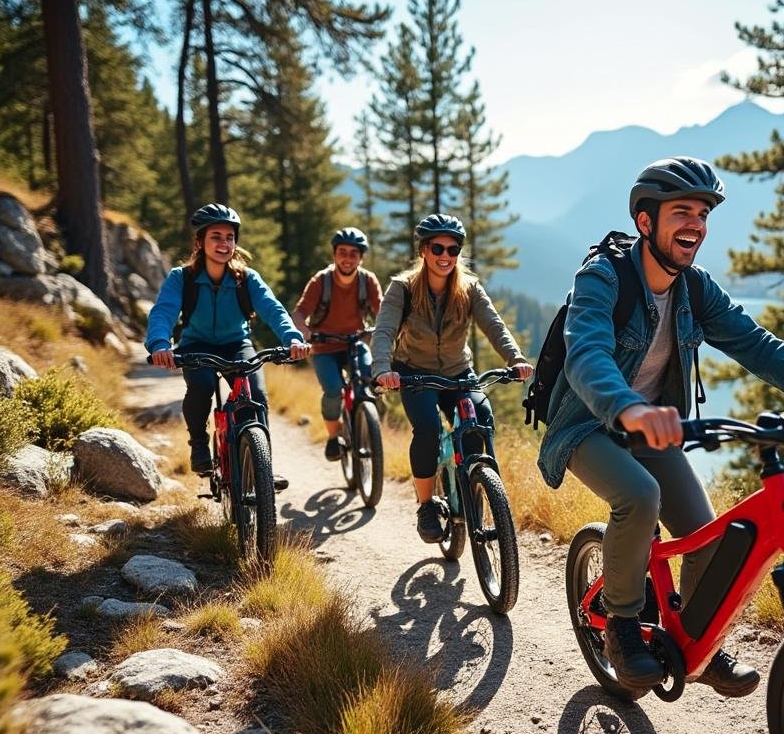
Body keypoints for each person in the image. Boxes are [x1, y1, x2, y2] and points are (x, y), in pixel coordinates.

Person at [536, 157, 784, 695]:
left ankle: (694, 642)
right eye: (681, 212)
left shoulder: (695, 289)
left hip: (650, 428)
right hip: (587, 426)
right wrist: (628, 407)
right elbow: (586, 356)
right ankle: (622, 631)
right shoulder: (604, 276)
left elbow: (755, 344)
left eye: (702, 213)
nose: (695, 224)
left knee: (705, 537)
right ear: (645, 221)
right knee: (639, 495)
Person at [371, 213, 534, 542]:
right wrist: (382, 370)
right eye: (437, 248)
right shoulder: (402, 289)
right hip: (415, 373)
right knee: (428, 430)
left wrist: (515, 358)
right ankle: (427, 504)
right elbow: (385, 331)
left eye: (453, 249)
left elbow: (494, 325)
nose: (445, 256)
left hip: (459, 371)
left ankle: (479, 486)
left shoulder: (469, 288)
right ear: (423, 251)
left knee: (481, 418)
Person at [145, 203, 309, 475]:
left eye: (229, 237)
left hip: (237, 344)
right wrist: (161, 344)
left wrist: (292, 338)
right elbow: (164, 312)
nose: (224, 243)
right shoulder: (181, 278)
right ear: (200, 242)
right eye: (216, 237)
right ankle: (198, 443)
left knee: (254, 396)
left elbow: (273, 308)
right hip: (196, 345)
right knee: (201, 388)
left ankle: (262, 466)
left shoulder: (247, 279)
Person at [291, 227, 383, 461]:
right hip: (324, 347)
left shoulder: (367, 280)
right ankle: (334, 437)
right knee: (333, 391)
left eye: (354, 253)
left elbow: (382, 312)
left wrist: (386, 331)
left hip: (355, 342)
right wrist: (307, 333)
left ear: (361, 258)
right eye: (342, 252)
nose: (347, 258)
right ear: (334, 254)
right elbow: (299, 313)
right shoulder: (321, 281)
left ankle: (366, 422)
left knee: (368, 381)